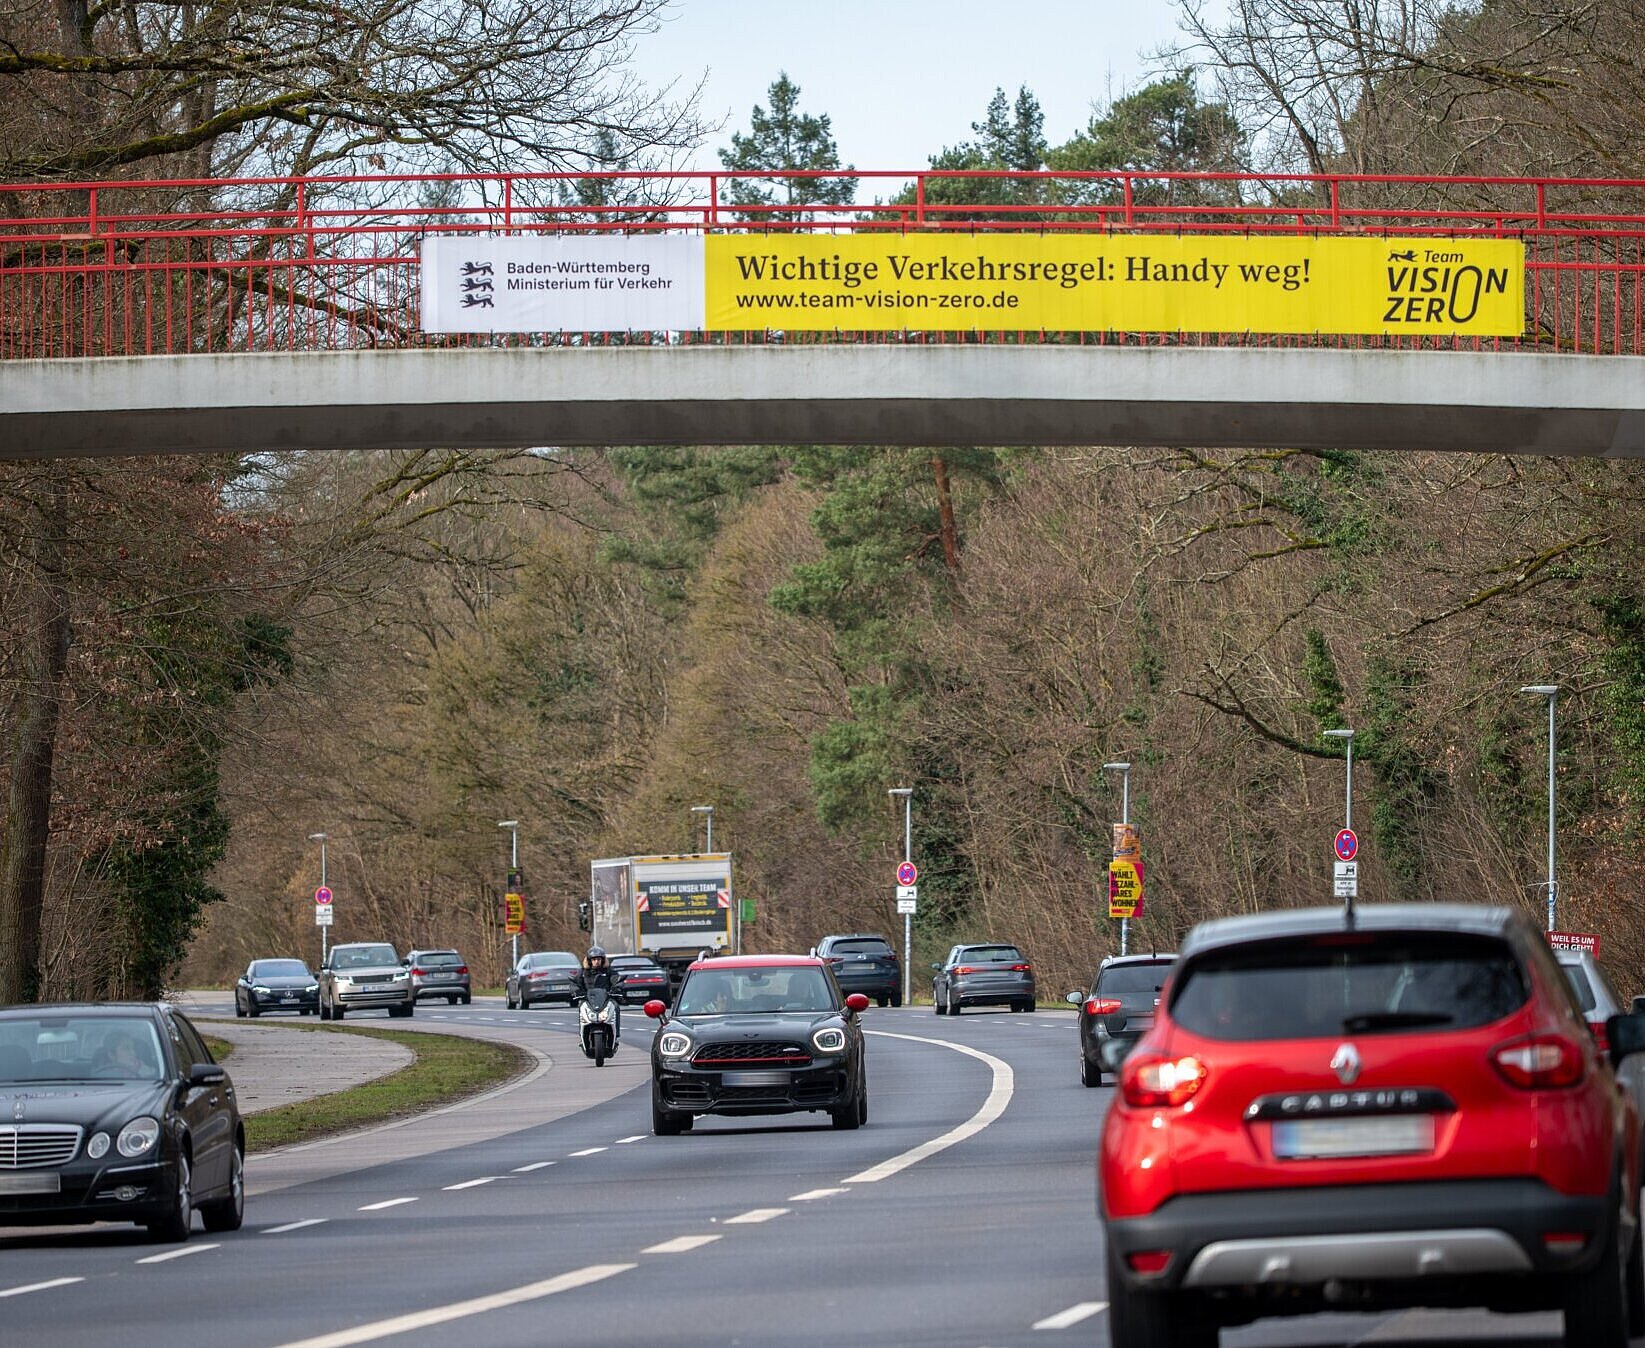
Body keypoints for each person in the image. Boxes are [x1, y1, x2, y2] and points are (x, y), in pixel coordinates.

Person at [576, 946, 619, 1036]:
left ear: (602, 960)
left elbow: (616, 980)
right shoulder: (583, 972)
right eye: (594, 959)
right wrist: (576, 991)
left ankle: (616, 1033)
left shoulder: (608, 971)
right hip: (588, 1000)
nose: (596, 961)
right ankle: (582, 1033)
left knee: (615, 1006)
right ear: (589, 961)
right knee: (580, 1006)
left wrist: (616, 988)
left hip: (606, 999)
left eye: (599, 959)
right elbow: (575, 983)